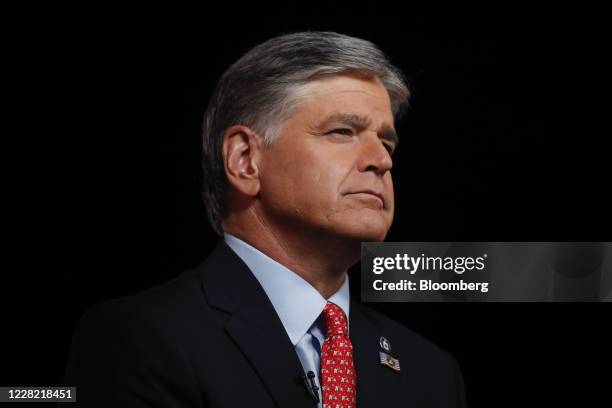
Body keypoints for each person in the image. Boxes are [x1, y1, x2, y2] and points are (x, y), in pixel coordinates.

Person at [62, 31, 468, 407]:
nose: (382, 160)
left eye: (386, 141)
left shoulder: (432, 373)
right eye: (343, 131)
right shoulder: (140, 339)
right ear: (245, 161)